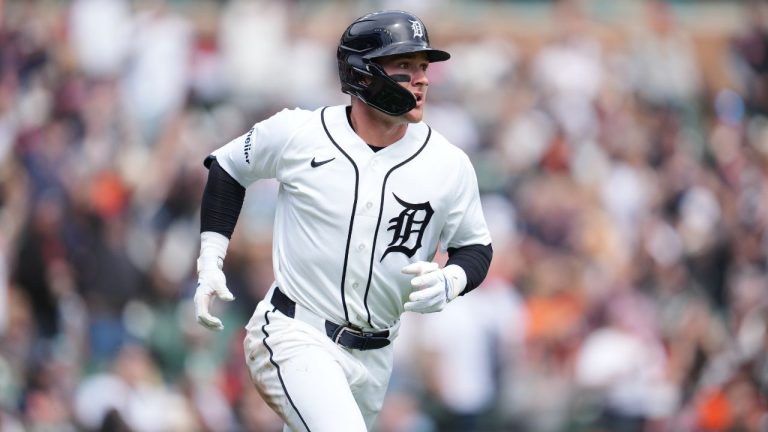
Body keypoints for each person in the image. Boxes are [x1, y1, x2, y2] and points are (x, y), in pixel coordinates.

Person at [193, 10, 493, 431]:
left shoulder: (449, 164)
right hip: (295, 332)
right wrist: (211, 258)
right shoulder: (300, 132)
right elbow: (227, 167)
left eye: (423, 67)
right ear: (363, 73)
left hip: (376, 356)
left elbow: (476, 247)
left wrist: (453, 280)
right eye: (404, 66)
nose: (422, 79)